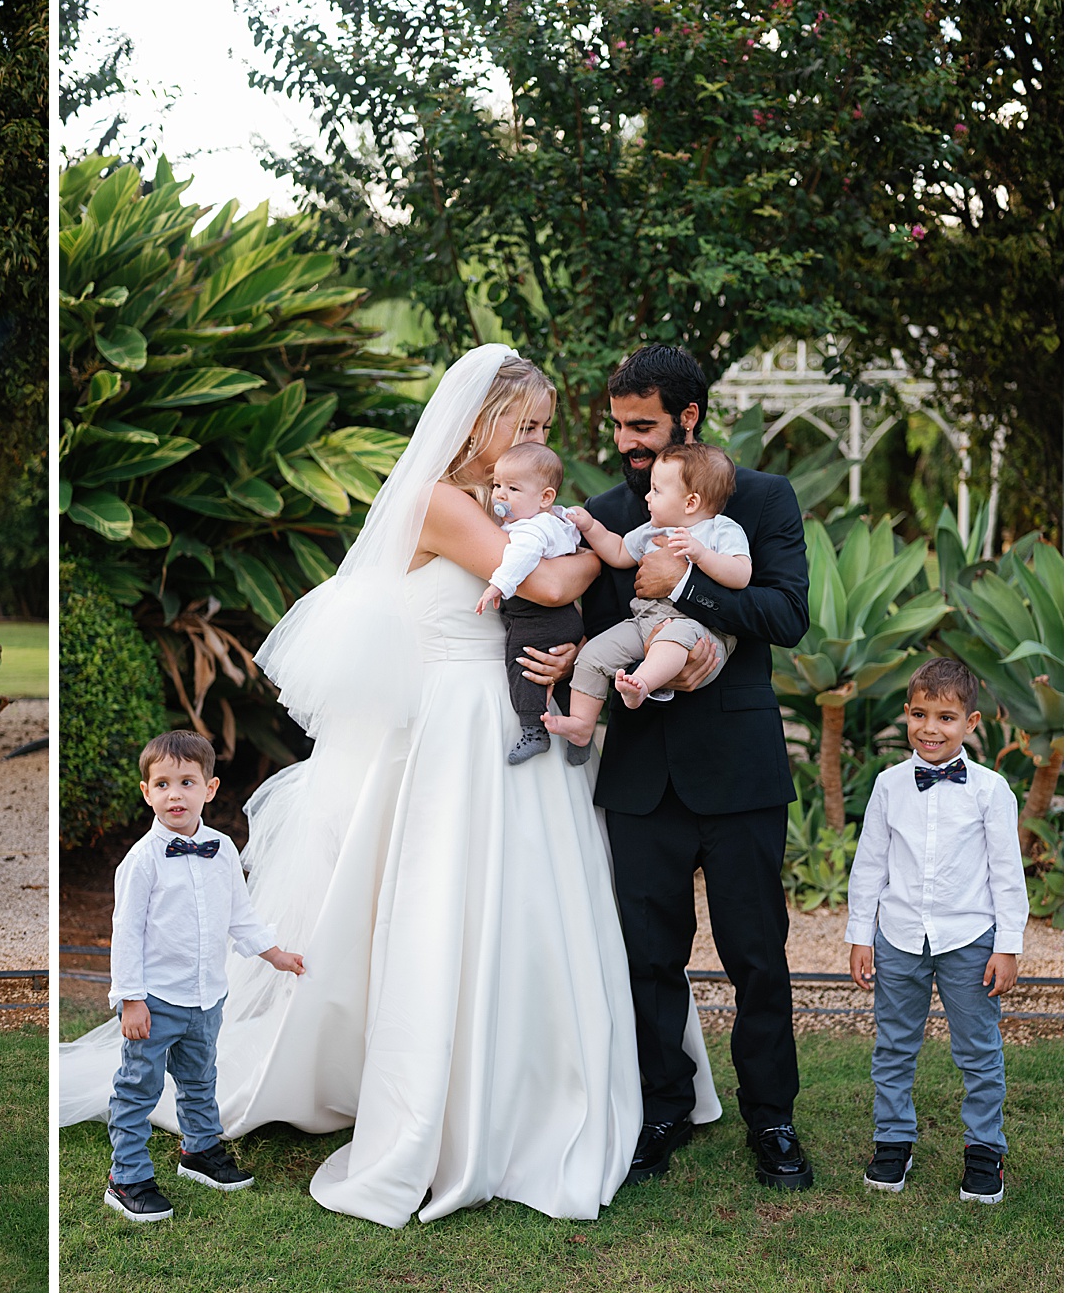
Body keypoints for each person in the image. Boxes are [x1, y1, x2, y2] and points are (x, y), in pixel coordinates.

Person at [60, 345, 722, 1229]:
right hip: (454, 720)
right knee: (445, 905)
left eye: (543, 430)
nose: (535, 442)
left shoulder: (507, 500)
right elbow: (552, 579)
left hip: (512, 708)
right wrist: (602, 547)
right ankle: (443, 1092)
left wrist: (566, 637)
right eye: (521, 425)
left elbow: (542, 603)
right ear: (476, 421)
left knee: (539, 903)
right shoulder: (440, 502)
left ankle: (548, 1074)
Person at [579, 343, 812, 1190]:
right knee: (647, 959)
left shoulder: (763, 499)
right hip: (641, 776)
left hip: (740, 769)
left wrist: (688, 587)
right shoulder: (615, 508)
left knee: (758, 954)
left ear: (689, 418)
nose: (629, 445)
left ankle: (773, 1121)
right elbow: (602, 622)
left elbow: (786, 613)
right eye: (618, 428)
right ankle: (659, 1111)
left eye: (642, 427)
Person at [103, 731, 305, 1224]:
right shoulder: (142, 862)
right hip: (155, 1001)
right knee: (139, 1087)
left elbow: (240, 914)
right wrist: (131, 1000)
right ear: (147, 792)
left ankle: (199, 1151)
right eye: (163, 784)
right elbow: (125, 934)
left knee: (199, 1079)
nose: (176, 794)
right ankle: (126, 1176)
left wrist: (272, 952)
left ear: (209, 789)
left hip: (207, 997)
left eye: (187, 782)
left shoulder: (223, 849)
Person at [846, 659, 1026, 1204]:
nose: (930, 728)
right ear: (906, 715)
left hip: (969, 940)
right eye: (920, 714)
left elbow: (1006, 874)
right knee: (895, 1044)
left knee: (978, 1048)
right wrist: (860, 934)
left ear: (971, 723)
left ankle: (984, 1149)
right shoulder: (888, 785)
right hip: (898, 938)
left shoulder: (992, 792)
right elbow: (870, 864)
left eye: (946, 717)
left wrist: (1008, 947)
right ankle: (893, 1139)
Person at [546, 442, 751, 760]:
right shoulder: (652, 530)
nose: (647, 497)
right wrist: (591, 527)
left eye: (656, 490)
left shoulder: (719, 530)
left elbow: (741, 574)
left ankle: (641, 683)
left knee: (673, 639)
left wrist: (701, 555)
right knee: (592, 654)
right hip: (643, 619)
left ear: (691, 501)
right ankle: (582, 725)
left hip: (694, 628)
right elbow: (618, 553)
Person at [472, 442, 584, 764]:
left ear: (545, 498)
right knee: (562, 677)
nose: (500, 495)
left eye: (513, 488)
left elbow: (521, 557)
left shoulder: (530, 529)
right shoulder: (553, 522)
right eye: (497, 486)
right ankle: (577, 734)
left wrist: (497, 586)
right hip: (565, 618)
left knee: (521, 665)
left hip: (536, 619)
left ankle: (534, 729)